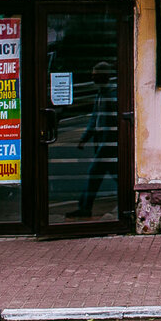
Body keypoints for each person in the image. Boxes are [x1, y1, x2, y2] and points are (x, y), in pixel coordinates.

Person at [69, 62, 117, 218]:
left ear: (104, 75)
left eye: (95, 75)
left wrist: (104, 143)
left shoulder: (111, 94)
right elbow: (95, 119)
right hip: (102, 143)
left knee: (93, 175)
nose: (92, 77)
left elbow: (112, 122)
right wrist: (85, 139)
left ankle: (84, 209)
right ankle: (85, 207)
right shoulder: (101, 93)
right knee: (115, 176)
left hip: (107, 144)